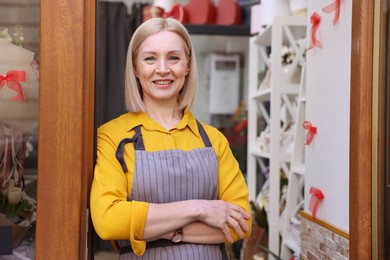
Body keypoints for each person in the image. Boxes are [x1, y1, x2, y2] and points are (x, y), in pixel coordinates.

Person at [90, 17, 252, 259]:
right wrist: (199, 208)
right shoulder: (112, 136)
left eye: (174, 57)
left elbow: (240, 223)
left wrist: (157, 228)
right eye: (150, 58)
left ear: (187, 66)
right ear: (135, 67)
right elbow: (108, 221)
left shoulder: (213, 139)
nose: (163, 69)